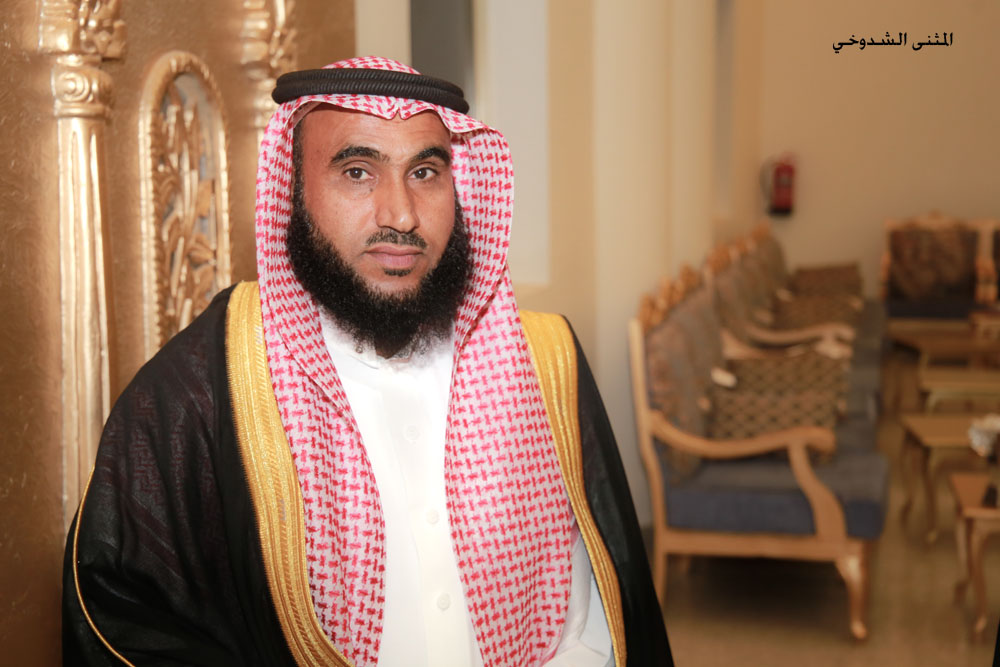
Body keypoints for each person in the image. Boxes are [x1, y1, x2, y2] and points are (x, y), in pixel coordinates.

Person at [63, 56, 672, 666]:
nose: (400, 215)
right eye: (358, 172)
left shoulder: (544, 362)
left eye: (425, 173)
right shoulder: (202, 388)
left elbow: (601, 621)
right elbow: (124, 608)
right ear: (293, 191)